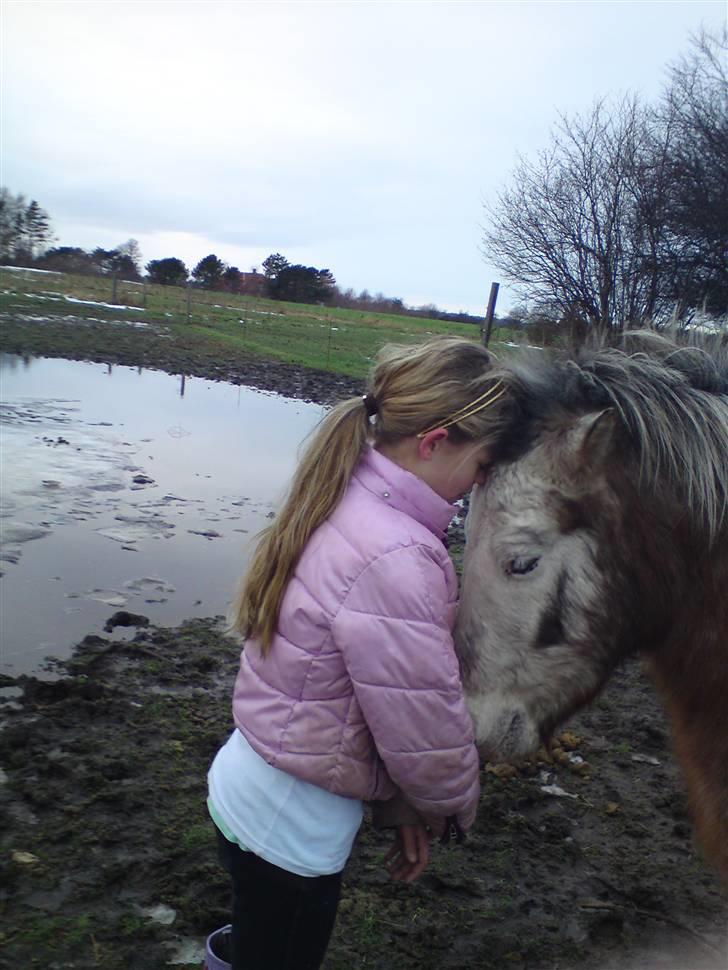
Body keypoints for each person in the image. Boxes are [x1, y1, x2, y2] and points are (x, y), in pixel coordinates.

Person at [206, 336, 509, 970]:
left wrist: (401, 805)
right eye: (483, 465)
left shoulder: (346, 494)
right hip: (290, 830)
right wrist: (449, 806)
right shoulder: (398, 555)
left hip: (253, 785)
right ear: (434, 443)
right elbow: (422, 720)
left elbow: (377, 696)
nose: (482, 484)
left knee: (257, 941)